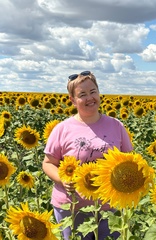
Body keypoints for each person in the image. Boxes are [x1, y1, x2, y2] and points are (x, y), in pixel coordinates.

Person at [42, 71, 133, 240]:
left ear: (99, 93)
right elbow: (48, 163)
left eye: (93, 91)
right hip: (72, 208)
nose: (90, 98)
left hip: (109, 207)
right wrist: (62, 179)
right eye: (82, 94)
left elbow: (129, 160)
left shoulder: (116, 125)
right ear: (73, 100)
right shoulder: (62, 129)